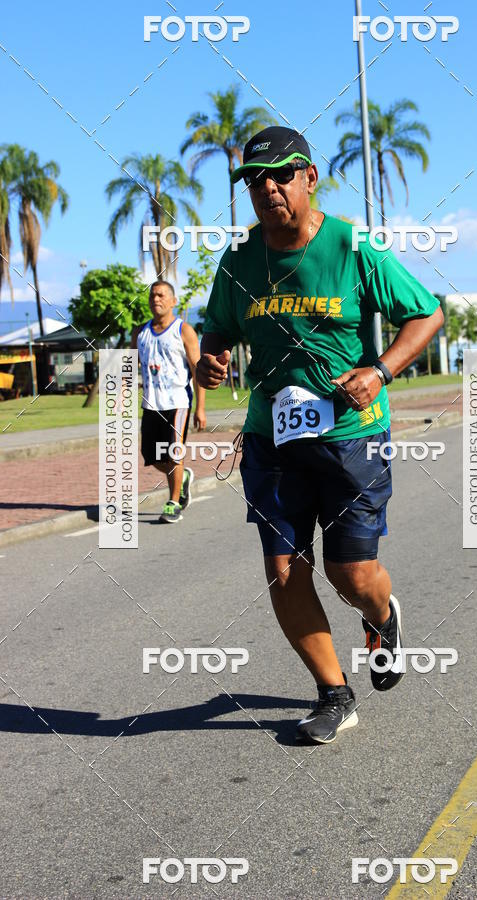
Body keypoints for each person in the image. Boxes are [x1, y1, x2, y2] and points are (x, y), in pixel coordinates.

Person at [197, 126, 443, 743]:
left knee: (350, 574)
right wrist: (211, 359)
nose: (267, 188)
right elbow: (217, 330)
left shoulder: (353, 246)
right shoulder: (239, 259)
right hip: (271, 439)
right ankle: (334, 692)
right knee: (284, 569)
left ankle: (383, 618)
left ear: (310, 177)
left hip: (352, 435)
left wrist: (381, 370)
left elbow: (427, 311)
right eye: (255, 179)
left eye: (281, 174)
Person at [132, 281, 206, 523]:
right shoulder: (140, 332)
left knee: (174, 452)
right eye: (153, 295)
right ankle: (182, 476)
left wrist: (201, 408)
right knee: (153, 456)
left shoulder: (183, 330)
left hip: (178, 403)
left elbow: (198, 371)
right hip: (151, 404)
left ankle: (173, 503)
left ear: (173, 301)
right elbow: (130, 368)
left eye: (162, 295)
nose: (156, 299)